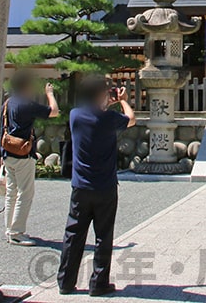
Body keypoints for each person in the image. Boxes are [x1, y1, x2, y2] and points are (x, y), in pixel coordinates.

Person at [57, 74, 136, 296]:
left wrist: (105, 103)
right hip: (105, 186)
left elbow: (93, 112)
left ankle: (65, 281)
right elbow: (131, 118)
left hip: (80, 186)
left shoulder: (75, 116)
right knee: (103, 235)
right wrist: (122, 100)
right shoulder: (110, 119)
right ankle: (98, 283)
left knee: (73, 233)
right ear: (102, 93)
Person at [1, 73, 59, 246]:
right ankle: (17, 232)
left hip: (8, 152)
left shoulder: (8, 103)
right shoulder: (27, 104)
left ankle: (9, 229)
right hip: (23, 153)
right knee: (25, 193)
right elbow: (54, 112)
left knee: (11, 193)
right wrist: (49, 94)